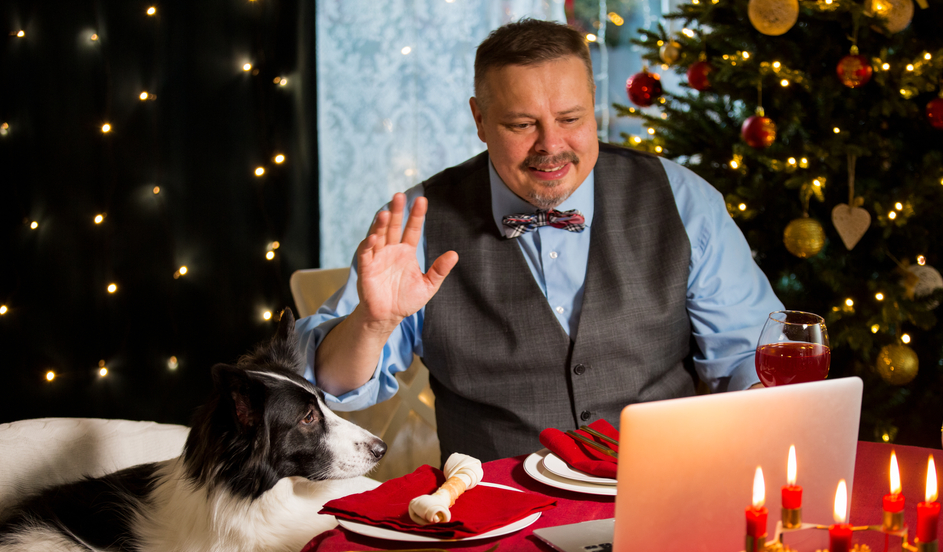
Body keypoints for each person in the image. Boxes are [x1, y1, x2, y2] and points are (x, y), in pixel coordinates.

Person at [296, 18, 784, 462]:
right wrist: (372, 323)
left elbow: (747, 357)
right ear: (480, 120)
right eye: (522, 124)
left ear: (592, 105)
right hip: (493, 521)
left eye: (571, 119)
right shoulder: (415, 222)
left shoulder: (683, 199)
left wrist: (767, 412)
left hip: (666, 491)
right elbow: (327, 384)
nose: (551, 146)